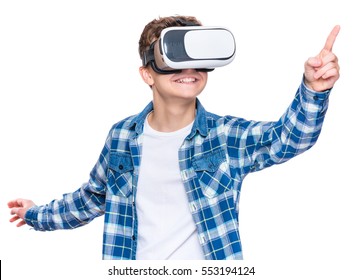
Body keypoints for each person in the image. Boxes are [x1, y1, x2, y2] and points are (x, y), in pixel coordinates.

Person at [8, 15, 340, 260]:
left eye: (197, 58)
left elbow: (288, 139)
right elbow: (93, 197)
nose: (189, 69)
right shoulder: (122, 137)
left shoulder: (225, 137)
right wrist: (37, 214)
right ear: (147, 73)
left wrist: (313, 89)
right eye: (174, 58)